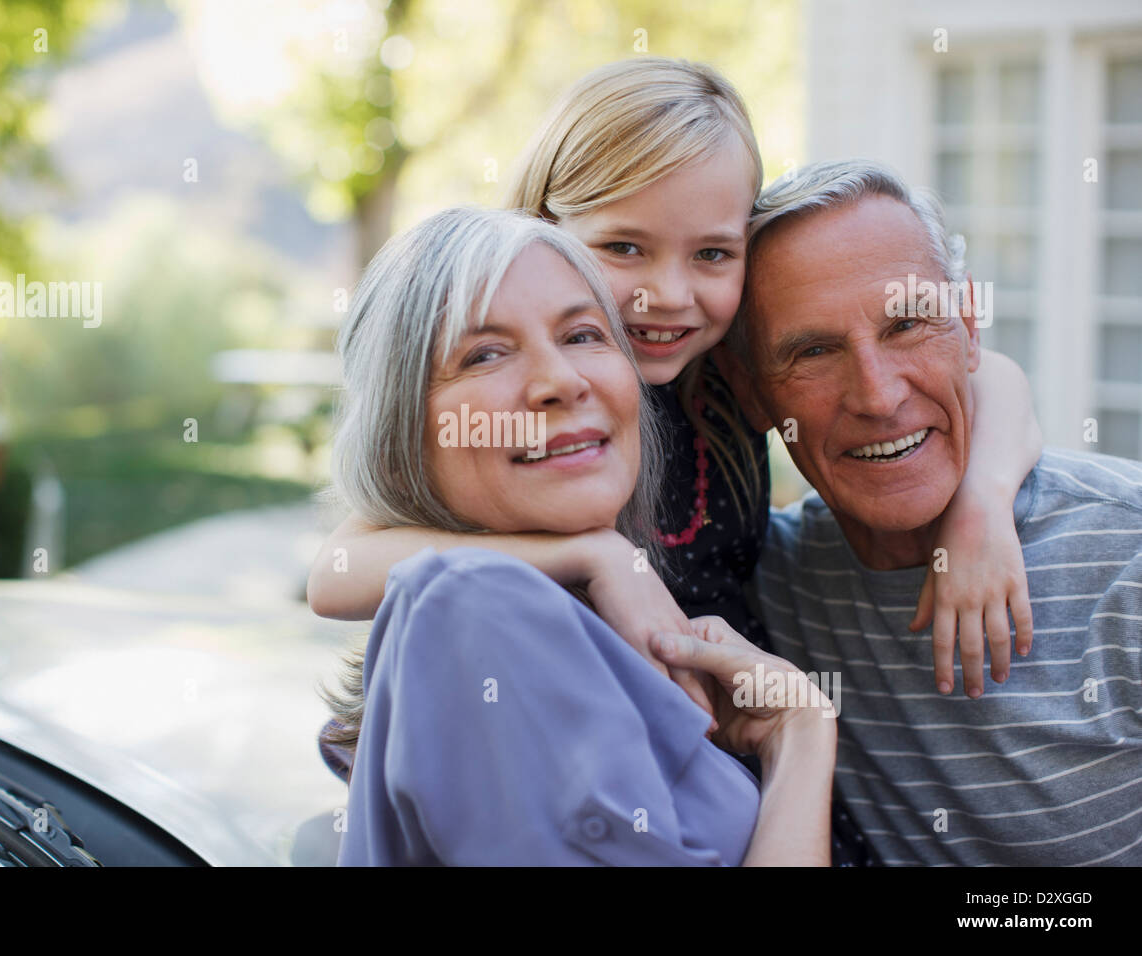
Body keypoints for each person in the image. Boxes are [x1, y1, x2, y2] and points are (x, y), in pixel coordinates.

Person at [311, 58, 1041, 864]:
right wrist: (594, 556)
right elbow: (338, 572)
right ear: (550, 227)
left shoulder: (718, 364)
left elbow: (985, 372)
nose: (670, 294)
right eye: (625, 247)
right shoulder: (539, 419)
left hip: (732, 732)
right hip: (602, 742)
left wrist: (979, 508)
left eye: (713, 255)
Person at [330, 205, 838, 865]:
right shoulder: (476, 608)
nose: (562, 381)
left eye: (582, 336)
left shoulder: (569, 621)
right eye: (485, 353)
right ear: (402, 441)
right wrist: (801, 741)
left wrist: (798, 726)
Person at [673, 158, 1142, 865]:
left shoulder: (1126, 562)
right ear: (750, 391)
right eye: (816, 351)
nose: (879, 395)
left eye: (907, 325)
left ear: (970, 327)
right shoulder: (768, 581)